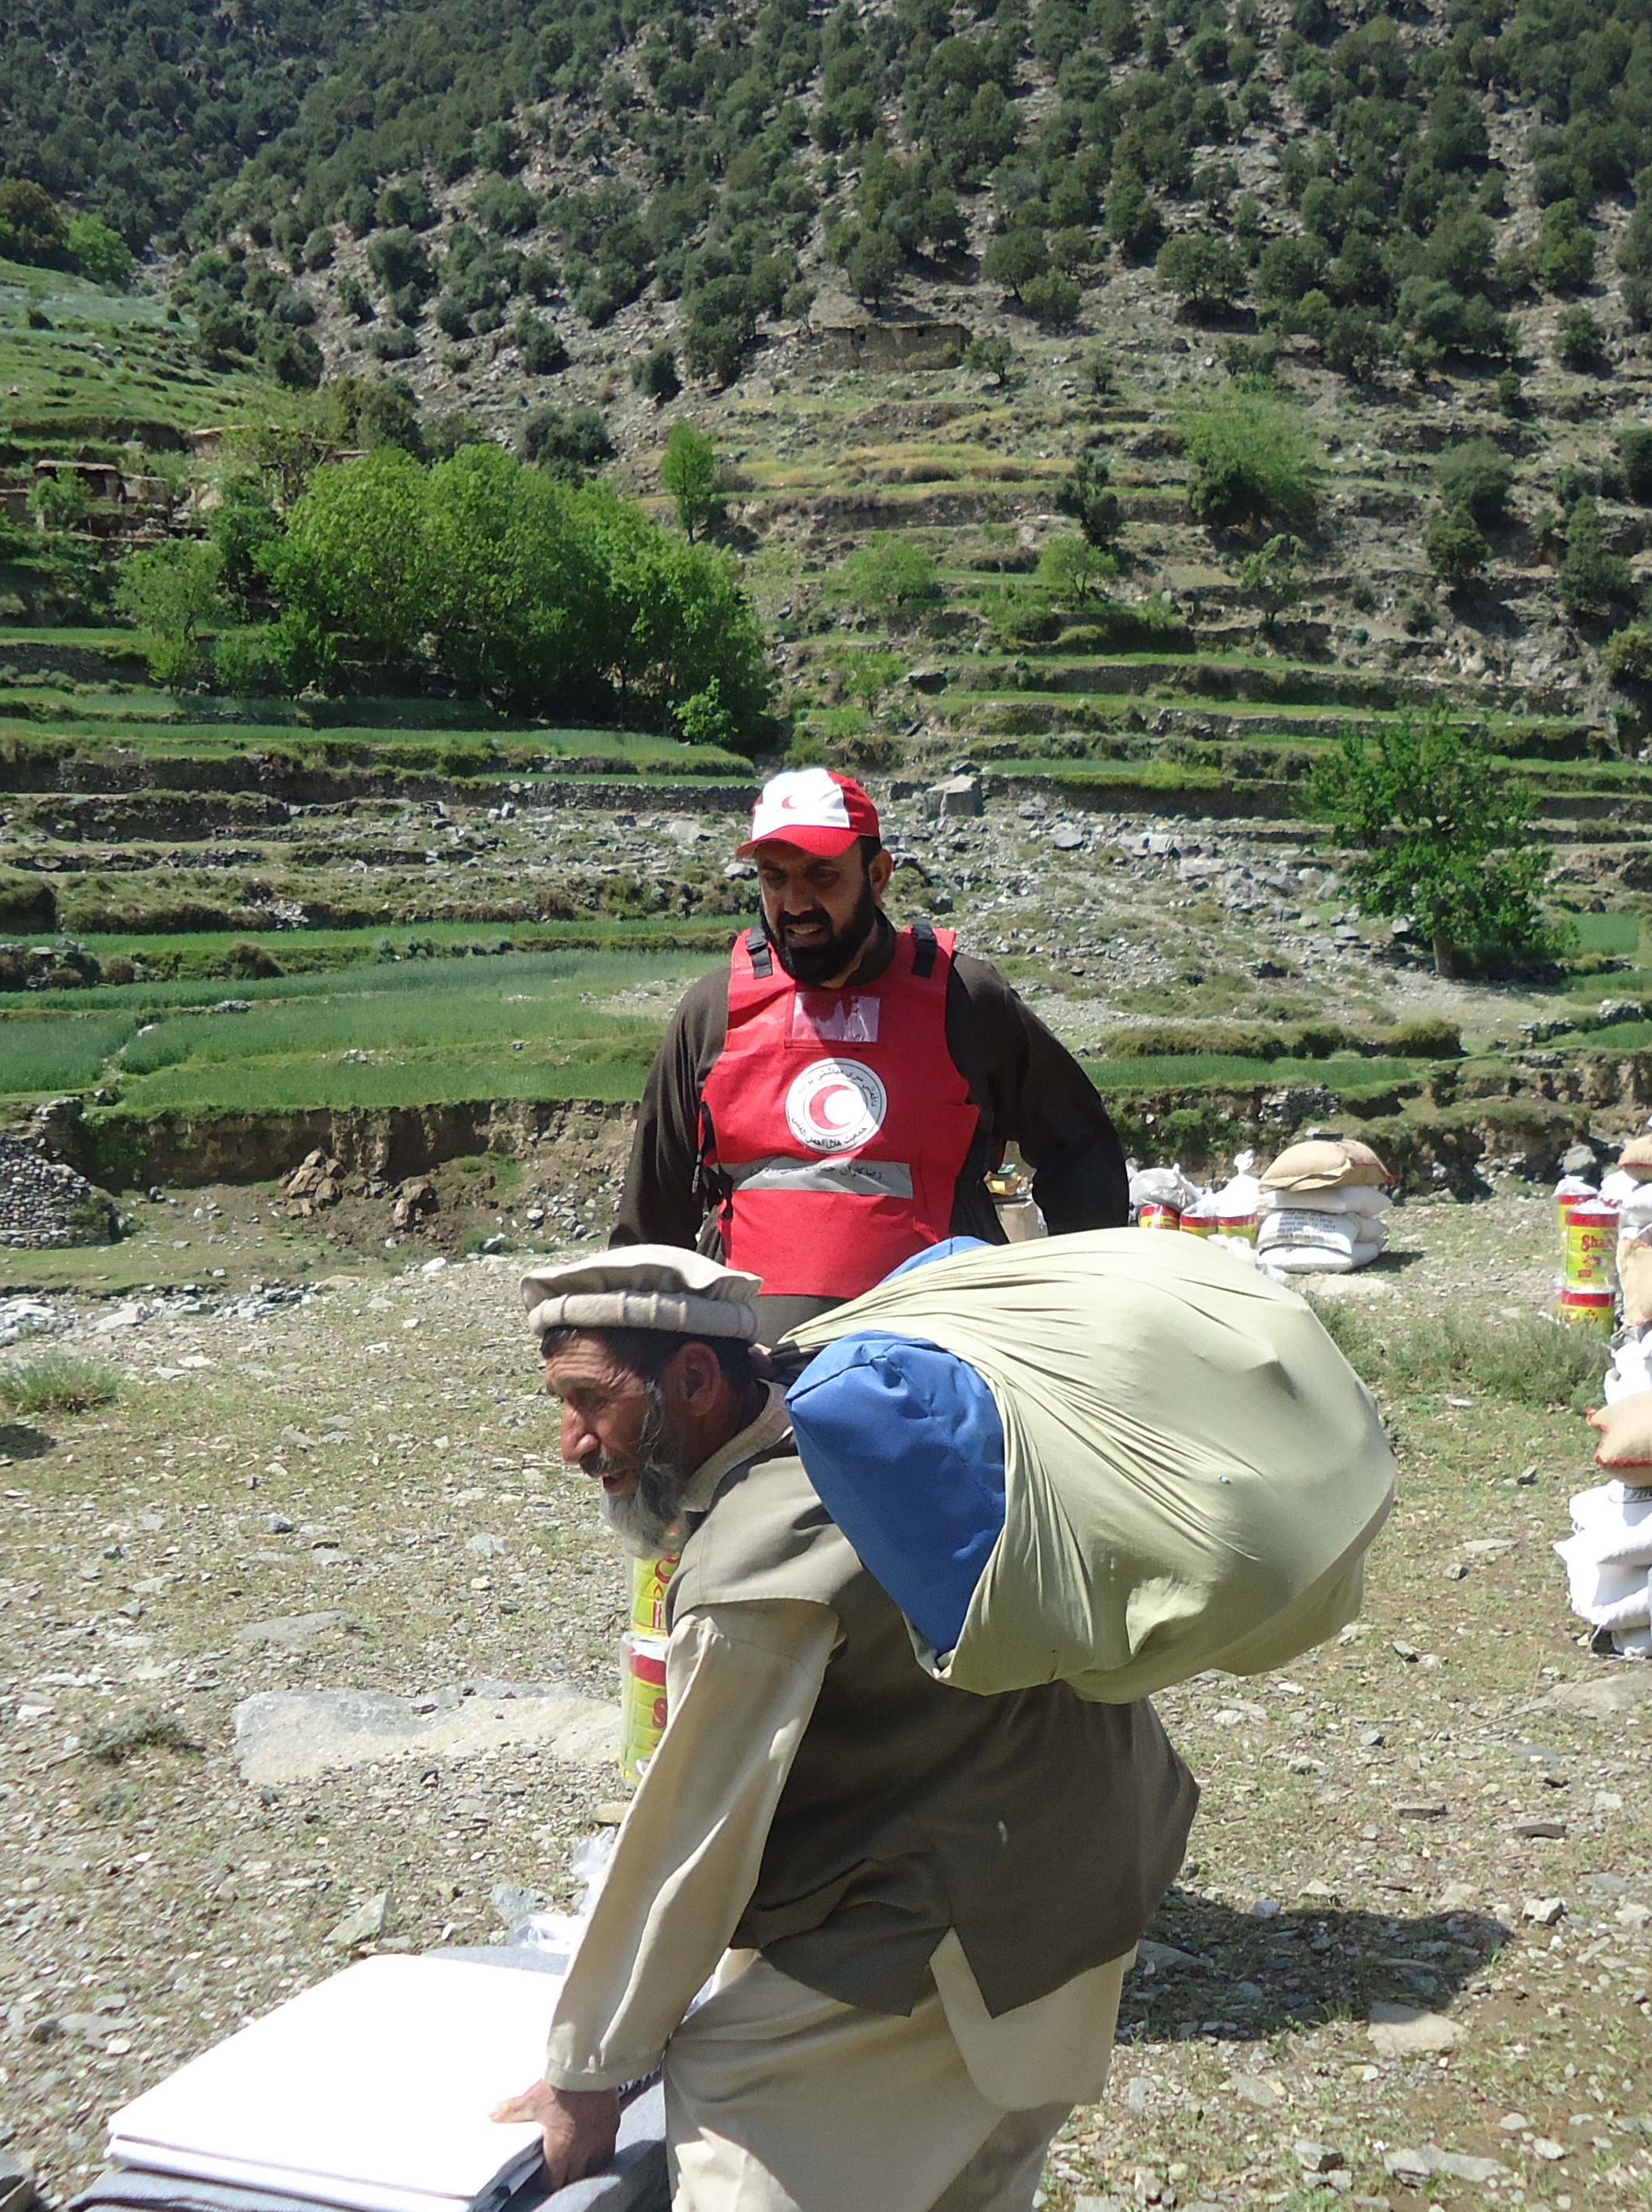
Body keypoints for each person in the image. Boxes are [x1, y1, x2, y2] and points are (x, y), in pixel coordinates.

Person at [494, 1245, 1197, 2208]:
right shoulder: (848, 1426)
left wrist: (590, 2069)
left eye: (591, 1400)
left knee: (733, 2111)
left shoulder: (758, 1565)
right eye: (560, 1405)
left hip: (975, 1911)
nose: (572, 1443)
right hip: (1101, 1855)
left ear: (695, 1380)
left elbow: (695, 1835)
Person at [617, 767, 1129, 1339]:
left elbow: (1080, 1145)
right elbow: (650, 1219)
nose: (796, 903)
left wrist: (1079, 1308)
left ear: (878, 874)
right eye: (774, 878)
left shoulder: (968, 1001)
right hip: (748, 1384)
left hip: (935, 1371)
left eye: (822, 876)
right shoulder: (712, 1012)